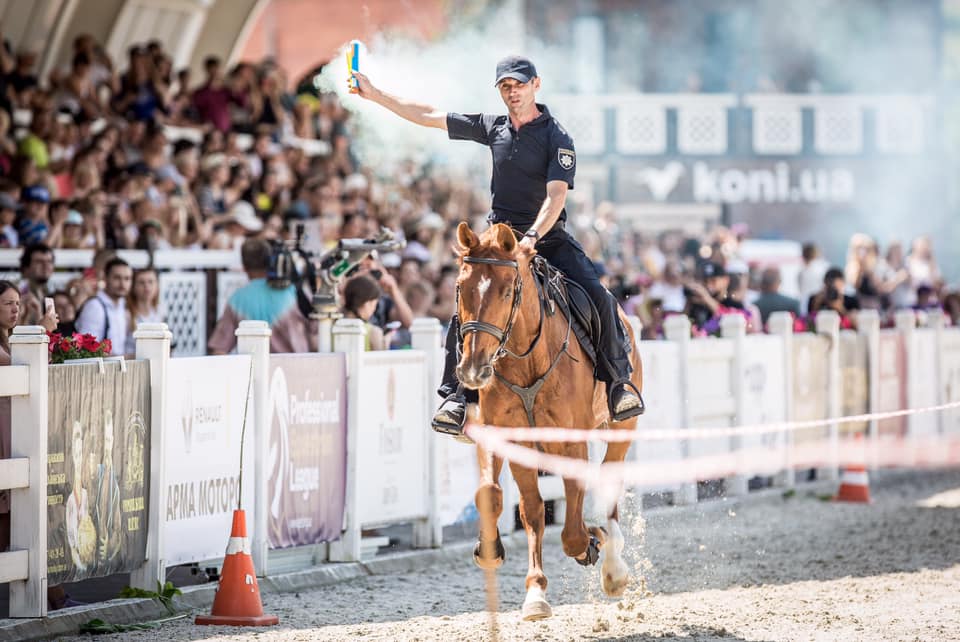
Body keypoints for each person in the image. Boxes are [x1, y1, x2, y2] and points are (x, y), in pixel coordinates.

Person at [352, 55, 642, 437]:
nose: (512, 91)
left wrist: (532, 238)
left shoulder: (558, 137)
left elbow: (556, 198)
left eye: (519, 84)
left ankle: (619, 383)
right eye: (505, 86)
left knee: (598, 296)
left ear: (536, 84)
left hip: (547, 238)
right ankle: (456, 397)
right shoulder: (493, 128)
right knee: (469, 304)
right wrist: (374, 95)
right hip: (498, 241)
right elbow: (428, 115)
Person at [0, 280, 57, 552]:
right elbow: (20, 364)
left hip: (16, 427)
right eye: (7, 303)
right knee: (7, 511)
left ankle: (52, 593)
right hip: (4, 431)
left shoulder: (11, 339)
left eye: (17, 304)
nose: (14, 310)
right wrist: (41, 332)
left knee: (19, 509)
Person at [208, 238, 313, 354]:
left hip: (256, 371)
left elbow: (219, 350)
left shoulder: (236, 300)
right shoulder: (294, 292)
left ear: (244, 265)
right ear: (270, 261)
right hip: (298, 368)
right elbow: (316, 335)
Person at [74, 257, 133, 356]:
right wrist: (127, 358)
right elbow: (87, 351)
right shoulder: (94, 307)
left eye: (127, 278)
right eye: (117, 278)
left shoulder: (123, 305)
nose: (122, 283)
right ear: (105, 278)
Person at [341, 274, 387, 351]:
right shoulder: (373, 332)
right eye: (374, 304)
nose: (374, 309)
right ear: (366, 303)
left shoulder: (329, 327)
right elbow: (381, 361)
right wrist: (385, 344)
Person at [126, 268, 162, 354]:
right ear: (133, 287)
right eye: (141, 282)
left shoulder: (159, 312)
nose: (147, 286)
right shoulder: (126, 314)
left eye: (150, 282)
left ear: (157, 286)